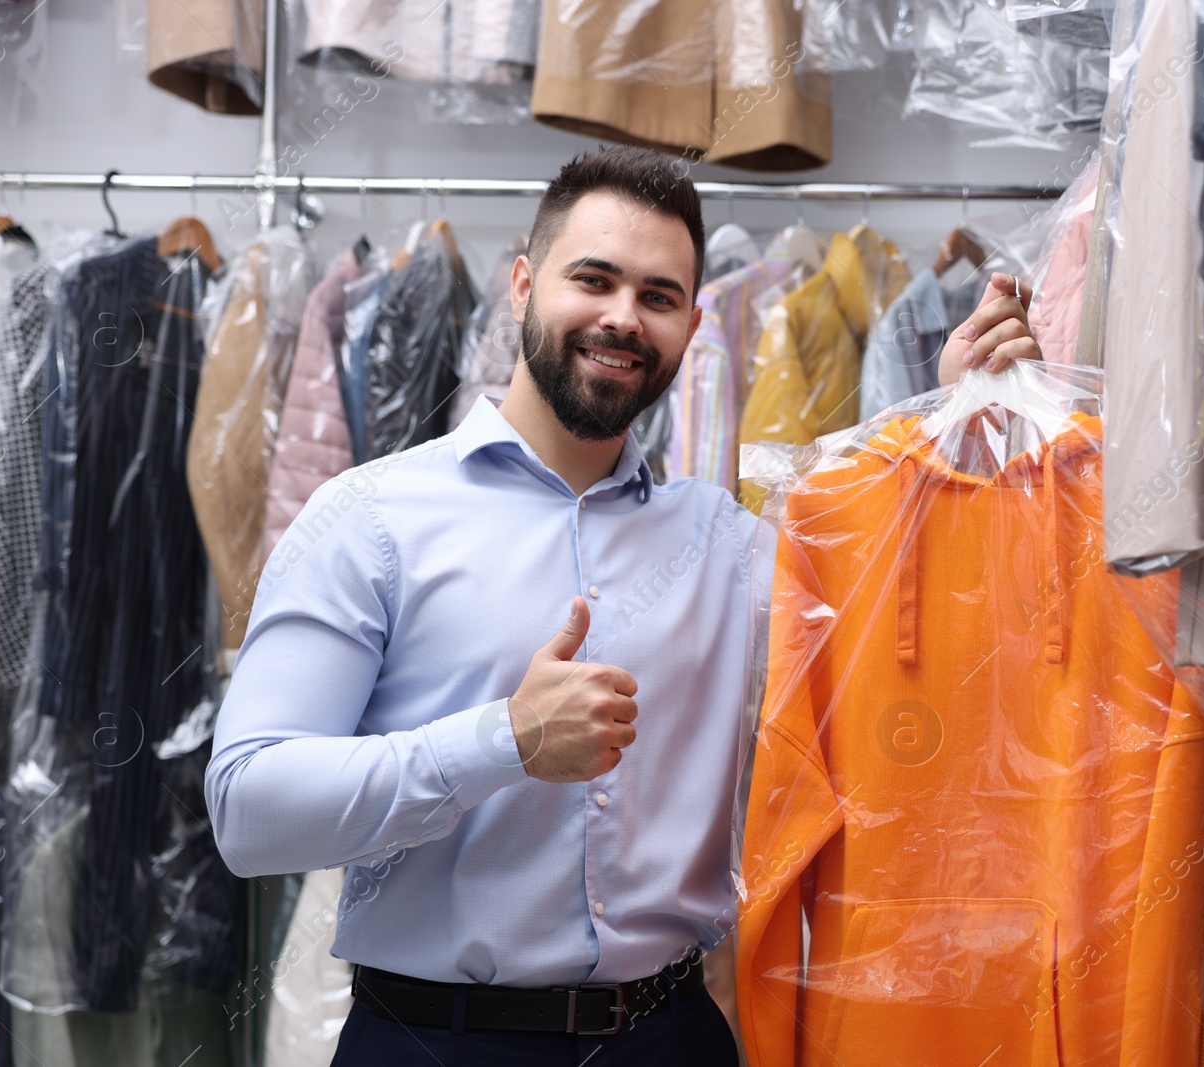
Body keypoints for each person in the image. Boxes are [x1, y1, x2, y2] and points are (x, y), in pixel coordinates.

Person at [205, 144, 1041, 1066]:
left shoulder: (730, 544)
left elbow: (894, 595)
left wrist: (947, 417)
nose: (622, 318)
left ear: (691, 322)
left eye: (658, 296)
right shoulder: (368, 519)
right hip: (433, 1042)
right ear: (523, 284)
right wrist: (503, 742)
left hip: (671, 1038)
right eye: (593, 279)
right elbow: (249, 811)